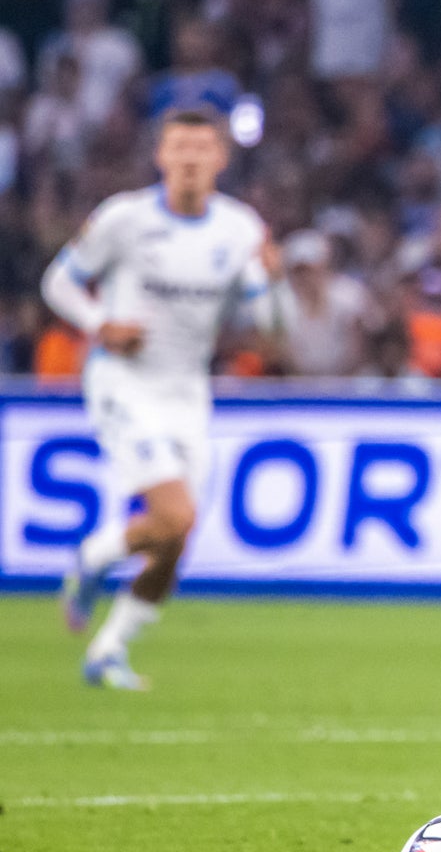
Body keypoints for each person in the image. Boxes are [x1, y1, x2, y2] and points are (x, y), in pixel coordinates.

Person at [43, 108, 280, 690]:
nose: (191, 158)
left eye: (203, 147)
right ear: (161, 156)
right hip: (123, 381)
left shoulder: (240, 229)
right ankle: (95, 557)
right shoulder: (125, 218)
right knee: (176, 515)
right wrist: (100, 323)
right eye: (180, 147)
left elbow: (272, 327)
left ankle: (107, 651)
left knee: (176, 539)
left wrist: (271, 284)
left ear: (221, 158)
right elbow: (58, 281)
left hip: (187, 390)